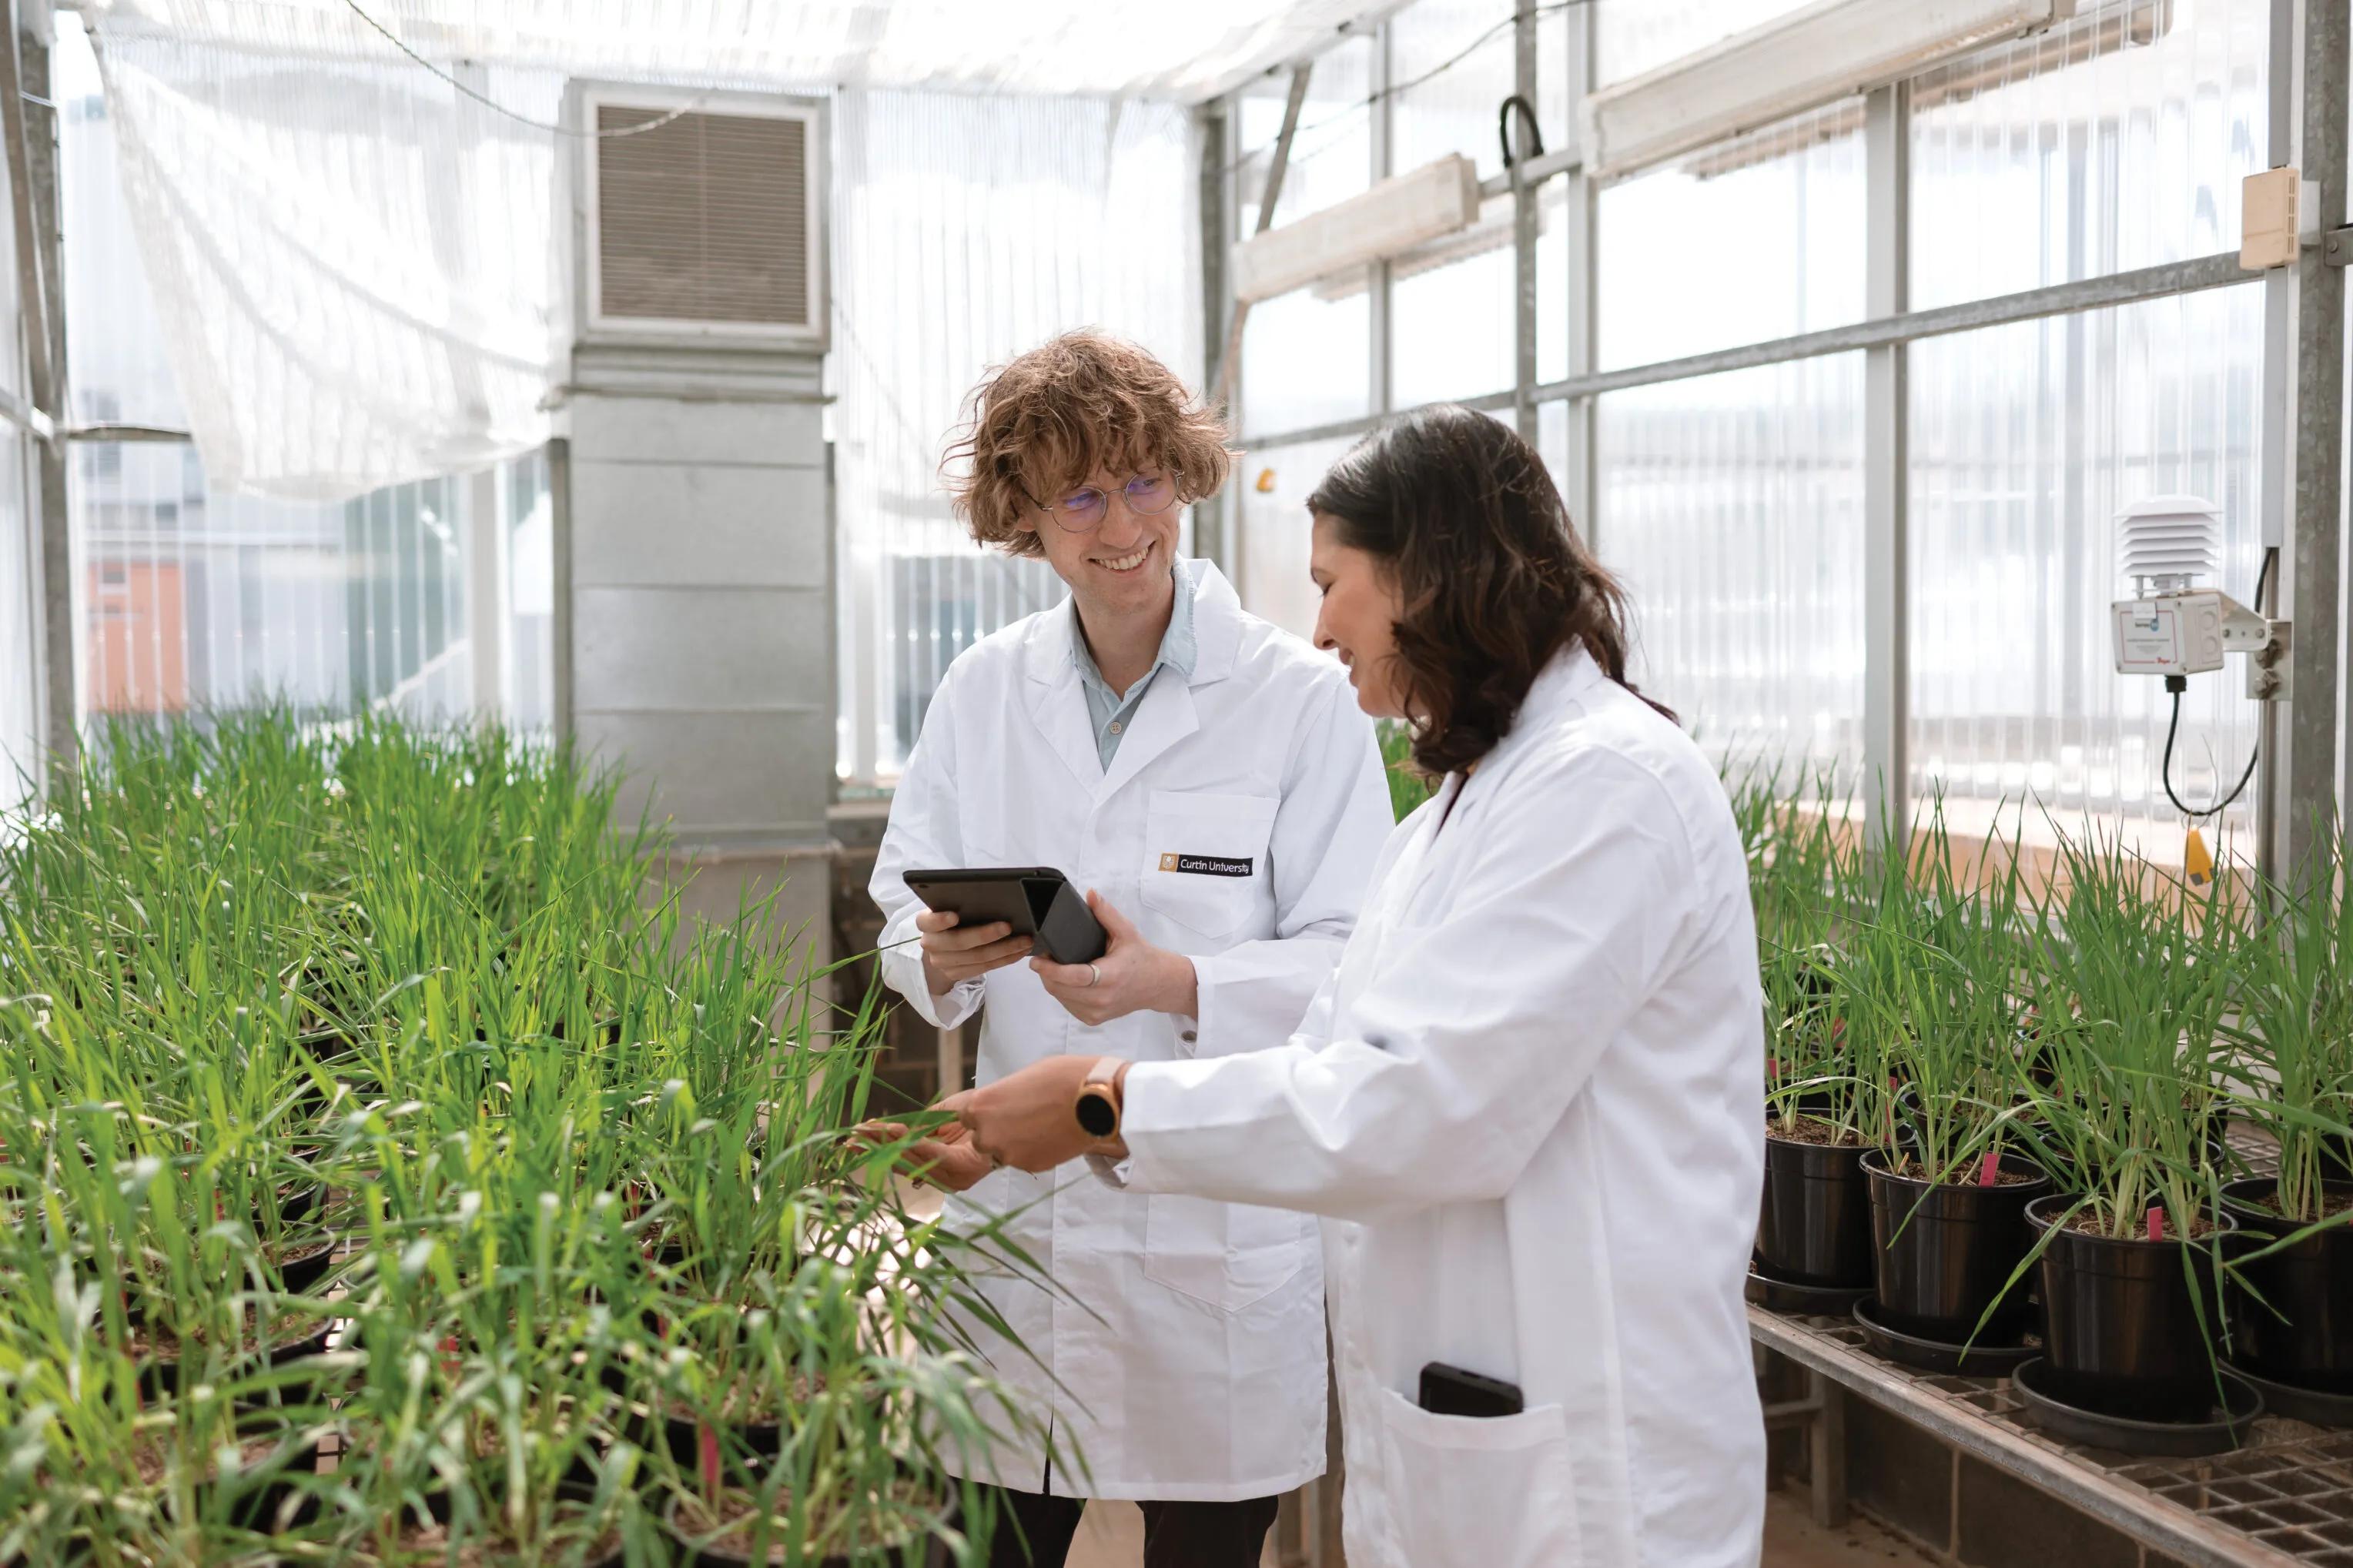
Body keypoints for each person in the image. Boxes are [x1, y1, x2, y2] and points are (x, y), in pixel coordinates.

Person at [939, 404, 1769, 1568]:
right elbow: (1333, 1050)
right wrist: (1052, 1113)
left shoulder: (1605, 788)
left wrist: (1104, 1101)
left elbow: (1421, 1110)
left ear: (1430, 575)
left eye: (1337, 582)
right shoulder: (1465, 809)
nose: (1321, 624)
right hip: (1466, 1421)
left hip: (1588, 1462)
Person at [866, 331, 1395, 1567]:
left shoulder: (1298, 699)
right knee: (989, 1535)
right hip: (1020, 1234)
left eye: (1143, 482)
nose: (1121, 525)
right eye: (1080, 495)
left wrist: (1177, 981)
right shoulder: (981, 693)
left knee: (1208, 1546)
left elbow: (1353, 958)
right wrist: (939, 959)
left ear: (1185, 480)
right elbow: (904, 903)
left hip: (1211, 1229)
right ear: (1028, 520)